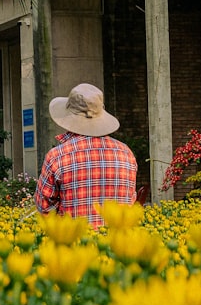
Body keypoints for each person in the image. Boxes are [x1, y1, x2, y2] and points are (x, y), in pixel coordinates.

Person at [35, 83, 138, 228]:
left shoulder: (57, 156)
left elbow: (44, 206)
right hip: (118, 245)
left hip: (75, 245)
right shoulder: (126, 153)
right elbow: (130, 200)